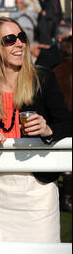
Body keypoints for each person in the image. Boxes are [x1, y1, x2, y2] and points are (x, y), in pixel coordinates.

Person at [0, 17, 71, 242]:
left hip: (37, 188)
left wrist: (48, 130)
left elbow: (67, 123)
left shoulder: (42, 78)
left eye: (22, 37)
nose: (19, 43)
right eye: (10, 39)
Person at [53, 35, 72, 213]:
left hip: (63, 120)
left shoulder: (56, 72)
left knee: (67, 163)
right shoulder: (56, 72)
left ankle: (66, 197)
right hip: (65, 120)